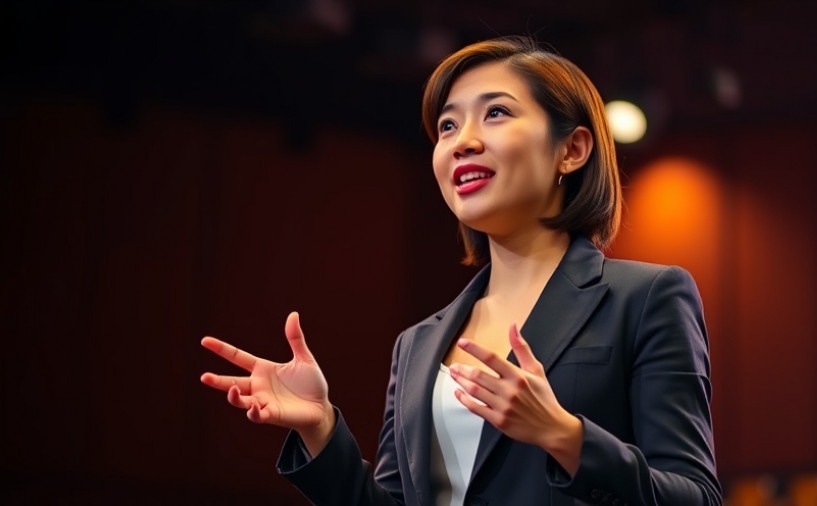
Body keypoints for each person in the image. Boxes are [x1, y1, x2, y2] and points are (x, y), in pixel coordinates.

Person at [200, 36, 721, 506]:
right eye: (448, 125)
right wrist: (321, 430)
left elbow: (695, 496)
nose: (462, 141)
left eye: (496, 113)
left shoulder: (647, 297)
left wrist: (564, 435)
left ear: (572, 149)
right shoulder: (418, 344)